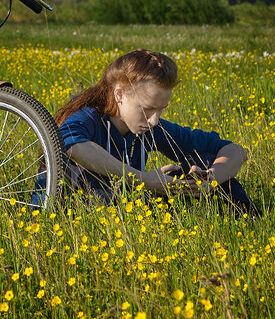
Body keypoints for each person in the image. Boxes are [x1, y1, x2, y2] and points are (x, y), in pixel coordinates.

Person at [53, 49, 258, 216]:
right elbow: (71, 145)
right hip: (75, 214)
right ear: (119, 94)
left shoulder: (151, 128)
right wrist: (142, 179)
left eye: (161, 109)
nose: (154, 120)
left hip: (127, 211)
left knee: (205, 160)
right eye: (147, 109)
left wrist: (210, 179)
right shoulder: (87, 118)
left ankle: (250, 221)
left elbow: (236, 150)